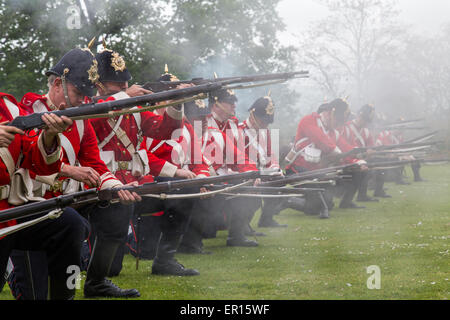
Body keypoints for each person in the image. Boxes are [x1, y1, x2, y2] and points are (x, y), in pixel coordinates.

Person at [15, 47, 142, 299]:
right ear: (57, 84)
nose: (84, 101)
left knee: (117, 205)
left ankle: (96, 280)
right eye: (77, 93)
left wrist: (114, 185)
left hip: (69, 201)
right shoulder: (28, 111)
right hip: (31, 203)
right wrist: (68, 169)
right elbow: (23, 159)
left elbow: (94, 163)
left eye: (87, 94)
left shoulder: (81, 120)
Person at [91, 58, 199, 276]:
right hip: (101, 187)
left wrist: (175, 101)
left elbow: (165, 130)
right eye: (117, 84)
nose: (124, 87)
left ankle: (165, 260)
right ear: (99, 85)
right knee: (111, 269)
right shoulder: (89, 109)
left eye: (125, 84)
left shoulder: (134, 109)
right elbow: (93, 119)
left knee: (186, 188)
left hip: (136, 185)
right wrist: (122, 97)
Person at [0, 89, 87, 300]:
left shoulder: (9, 108)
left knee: (71, 224)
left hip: (9, 213)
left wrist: (49, 136)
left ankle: (66, 295)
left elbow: (35, 161)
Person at [284, 98, 368, 211]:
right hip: (297, 170)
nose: (338, 124)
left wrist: (359, 159)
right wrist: (338, 153)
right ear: (330, 113)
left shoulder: (334, 133)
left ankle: (299, 201)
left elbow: (348, 149)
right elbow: (322, 140)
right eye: (338, 120)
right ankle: (285, 201)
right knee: (316, 206)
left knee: (327, 204)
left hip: (316, 174)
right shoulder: (309, 120)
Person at [202, 88, 261, 247]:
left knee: (250, 193)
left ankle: (236, 235)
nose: (234, 106)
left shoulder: (233, 125)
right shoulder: (202, 121)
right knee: (208, 230)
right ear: (216, 104)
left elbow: (240, 155)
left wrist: (251, 173)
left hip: (226, 177)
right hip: (204, 176)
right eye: (229, 102)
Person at [237, 95, 287, 228]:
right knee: (253, 201)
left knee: (279, 182)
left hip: (262, 173)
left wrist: (276, 168)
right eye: (263, 120)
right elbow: (239, 159)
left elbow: (270, 155)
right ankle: (243, 226)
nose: (265, 124)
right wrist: (254, 174)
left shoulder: (265, 132)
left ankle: (266, 218)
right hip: (245, 173)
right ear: (253, 114)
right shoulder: (240, 131)